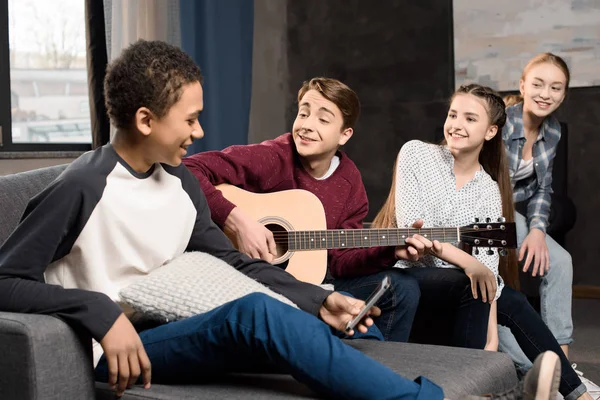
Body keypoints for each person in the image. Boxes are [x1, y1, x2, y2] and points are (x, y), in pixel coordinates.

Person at [1, 38, 558, 400]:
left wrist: (319, 299)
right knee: (258, 317)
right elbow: (6, 278)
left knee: (289, 313)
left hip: (179, 321)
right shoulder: (82, 185)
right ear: (146, 119)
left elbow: (235, 263)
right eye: (190, 120)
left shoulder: (181, 186)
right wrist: (98, 311)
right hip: (120, 350)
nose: (199, 134)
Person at [373, 83, 591, 400]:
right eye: (453, 115)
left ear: (490, 131)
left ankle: (578, 394)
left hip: (460, 284)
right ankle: (477, 387)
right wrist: (469, 262)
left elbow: (488, 274)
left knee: (510, 300)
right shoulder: (417, 153)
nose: (456, 125)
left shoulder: (487, 190)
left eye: (470, 119)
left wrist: (490, 341)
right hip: (411, 273)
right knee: (468, 281)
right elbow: (416, 230)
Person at [183, 77, 432, 343]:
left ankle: (388, 370)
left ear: (344, 134)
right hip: (246, 272)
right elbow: (188, 168)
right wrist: (238, 221)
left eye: (323, 120)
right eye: (303, 113)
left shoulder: (350, 183)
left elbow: (340, 261)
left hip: (311, 279)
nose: (306, 126)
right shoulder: (273, 157)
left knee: (404, 287)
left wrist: (389, 251)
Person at [501, 53, 599, 398]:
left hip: (515, 210)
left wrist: (539, 231)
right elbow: (482, 180)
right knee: (493, 287)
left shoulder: (553, 130)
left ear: (564, 94)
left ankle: (563, 367)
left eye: (556, 87)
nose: (546, 93)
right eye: (538, 84)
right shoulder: (502, 121)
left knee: (561, 261)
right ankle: (536, 369)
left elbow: (542, 188)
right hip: (483, 209)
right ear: (523, 85)